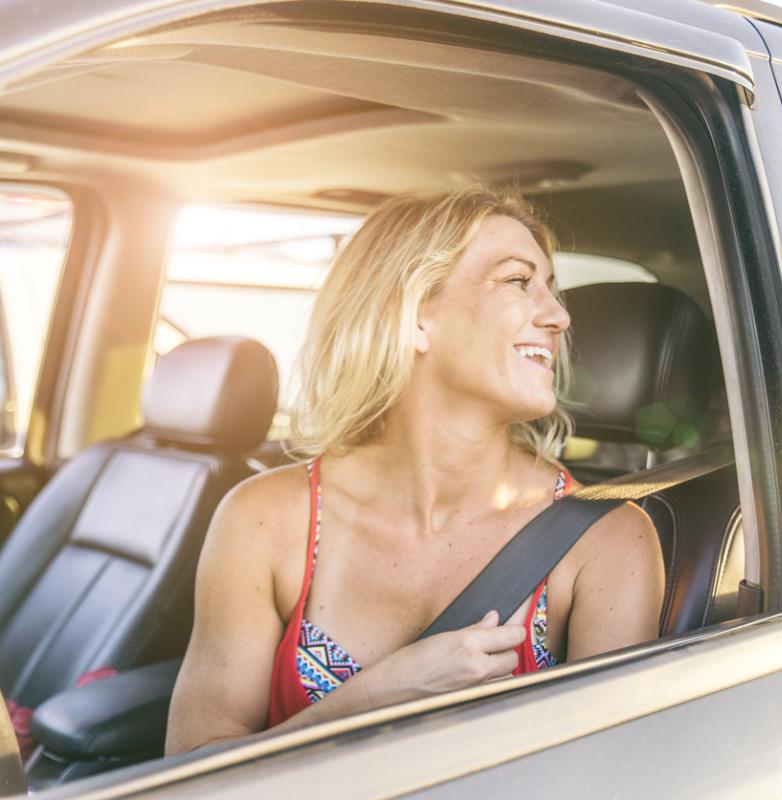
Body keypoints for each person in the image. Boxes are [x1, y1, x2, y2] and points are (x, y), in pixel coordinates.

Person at [165, 185, 664, 754]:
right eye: (518, 281)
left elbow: (603, 779)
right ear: (415, 315)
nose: (559, 316)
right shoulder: (264, 519)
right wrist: (376, 698)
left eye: (551, 289)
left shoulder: (607, 541)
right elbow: (190, 770)